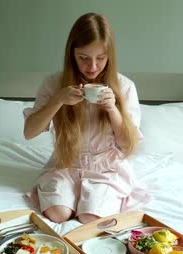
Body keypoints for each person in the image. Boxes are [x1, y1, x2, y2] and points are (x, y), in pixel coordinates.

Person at [23, 12, 149, 224]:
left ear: (110, 55)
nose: (92, 67)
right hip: (66, 162)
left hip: (106, 167)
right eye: (84, 58)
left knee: (90, 218)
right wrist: (58, 100)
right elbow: (29, 132)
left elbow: (129, 145)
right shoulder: (53, 83)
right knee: (57, 214)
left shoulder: (124, 86)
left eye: (100, 58)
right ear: (72, 54)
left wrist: (112, 109)